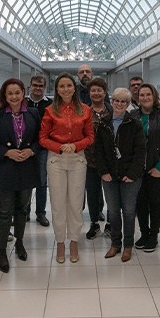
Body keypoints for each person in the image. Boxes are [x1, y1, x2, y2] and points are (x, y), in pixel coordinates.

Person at [0, 78, 41, 273]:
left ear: (23, 92)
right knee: (4, 212)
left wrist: (31, 151)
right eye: (10, 93)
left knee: (22, 209)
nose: (14, 97)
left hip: (27, 168)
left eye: (17, 92)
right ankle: (2, 250)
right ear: (5, 95)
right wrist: (6, 152)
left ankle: (19, 242)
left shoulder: (33, 113)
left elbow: (39, 140)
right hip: (5, 170)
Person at [40, 73, 95, 264]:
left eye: (69, 86)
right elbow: (43, 138)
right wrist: (59, 147)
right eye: (61, 86)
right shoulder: (50, 110)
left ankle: (74, 241)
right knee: (57, 203)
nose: (65, 89)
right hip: (56, 159)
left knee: (75, 202)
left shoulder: (85, 110)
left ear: (75, 88)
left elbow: (90, 137)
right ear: (56, 89)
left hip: (77, 159)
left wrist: (77, 145)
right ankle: (60, 242)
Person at [94, 88, 145, 262]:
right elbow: (98, 151)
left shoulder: (135, 123)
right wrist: (103, 172)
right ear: (112, 100)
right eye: (116, 100)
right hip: (109, 176)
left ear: (128, 103)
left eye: (124, 101)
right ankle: (115, 244)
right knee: (114, 212)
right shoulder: (103, 123)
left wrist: (132, 174)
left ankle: (128, 246)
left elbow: (140, 152)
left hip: (130, 177)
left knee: (129, 212)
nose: (119, 104)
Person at [131, 84, 160, 253]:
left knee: (155, 203)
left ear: (154, 96)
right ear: (138, 98)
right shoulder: (133, 116)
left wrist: (159, 167)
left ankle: (154, 234)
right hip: (137, 170)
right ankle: (144, 233)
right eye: (142, 95)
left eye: (148, 94)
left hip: (155, 168)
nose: (145, 98)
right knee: (140, 203)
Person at [84, 77, 110, 239]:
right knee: (92, 193)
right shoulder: (84, 112)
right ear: (89, 93)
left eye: (99, 90)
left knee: (111, 194)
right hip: (89, 161)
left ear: (104, 92)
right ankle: (94, 223)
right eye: (93, 90)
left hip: (109, 162)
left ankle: (111, 223)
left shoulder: (112, 110)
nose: (96, 93)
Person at [26, 74, 52, 227]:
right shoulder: (23, 102)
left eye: (40, 85)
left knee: (42, 181)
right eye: (35, 85)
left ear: (44, 87)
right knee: (26, 181)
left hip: (43, 148)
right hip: (25, 147)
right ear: (30, 86)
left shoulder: (50, 104)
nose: (37, 88)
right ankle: (25, 211)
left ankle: (40, 213)